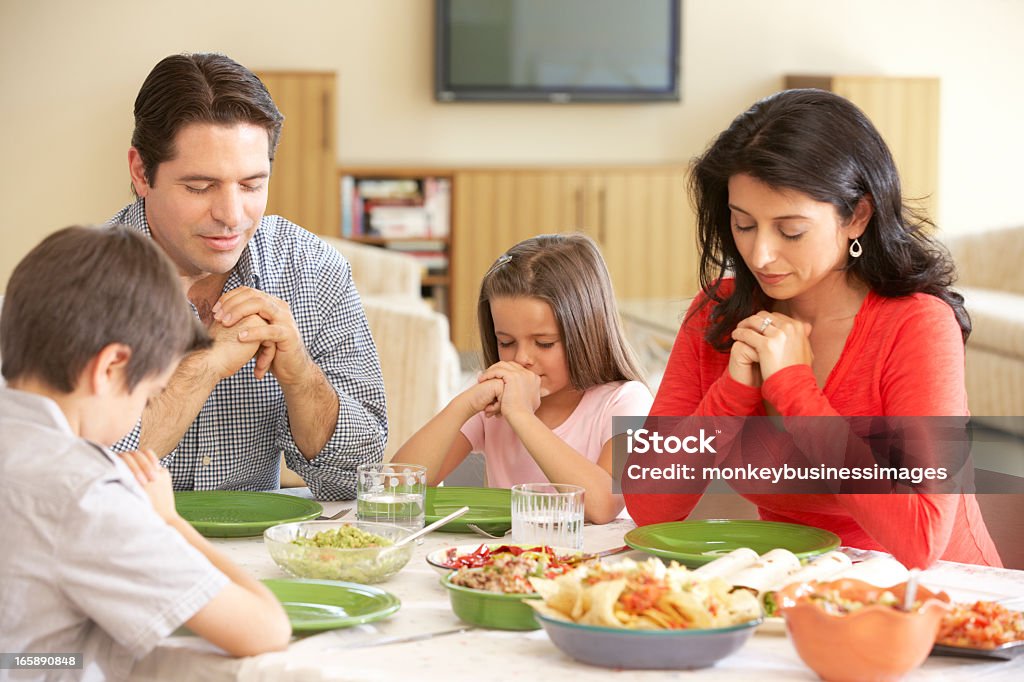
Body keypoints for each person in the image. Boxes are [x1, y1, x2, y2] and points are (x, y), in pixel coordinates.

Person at [623, 88, 1001, 568]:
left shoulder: (916, 325)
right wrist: (731, 393)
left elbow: (922, 540)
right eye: (743, 224)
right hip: (797, 595)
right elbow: (648, 504)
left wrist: (795, 392)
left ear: (857, 216)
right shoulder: (718, 314)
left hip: (941, 603)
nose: (760, 255)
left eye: (791, 231)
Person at [0, 226, 291, 680]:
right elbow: (265, 627)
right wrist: (169, 520)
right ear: (111, 367)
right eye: (151, 394)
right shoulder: (88, 496)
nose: (145, 409)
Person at [109, 53, 386, 500]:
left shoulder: (312, 269)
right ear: (142, 172)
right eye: (199, 187)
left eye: (252, 185)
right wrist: (203, 367)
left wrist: (300, 375)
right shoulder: (72, 285)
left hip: (259, 559)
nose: (231, 216)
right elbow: (72, 487)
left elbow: (356, 480)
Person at [396, 234, 653, 523]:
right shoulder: (494, 399)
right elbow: (396, 488)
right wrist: (462, 406)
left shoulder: (627, 401)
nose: (521, 359)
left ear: (586, 332)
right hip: (510, 562)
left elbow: (603, 505)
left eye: (544, 343)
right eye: (506, 342)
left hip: (597, 564)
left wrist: (521, 416)